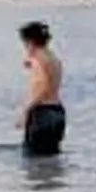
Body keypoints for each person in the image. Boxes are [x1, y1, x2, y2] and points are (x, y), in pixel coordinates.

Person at [16, 21, 66, 157]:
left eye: (24, 43)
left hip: (42, 112)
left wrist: (26, 111)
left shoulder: (39, 60)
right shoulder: (53, 58)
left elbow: (44, 87)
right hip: (57, 111)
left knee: (34, 158)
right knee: (51, 156)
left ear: (30, 42)